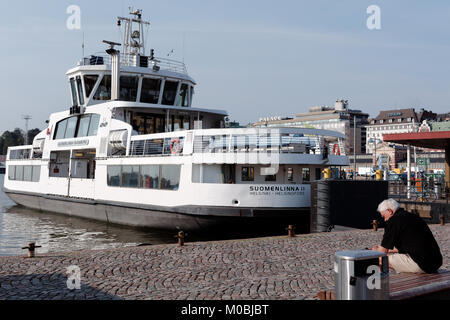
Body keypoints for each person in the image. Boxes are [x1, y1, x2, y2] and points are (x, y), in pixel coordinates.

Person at [371, 198, 442, 274]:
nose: (385, 220)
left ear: (389, 211)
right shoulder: (413, 217)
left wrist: (373, 251)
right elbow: (410, 245)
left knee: (379, 259)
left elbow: (382, 252)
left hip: (421, 265)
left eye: (384, 216)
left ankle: (383, 281)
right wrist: (389, 250)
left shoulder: (393, 221)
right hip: (435, 263)